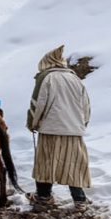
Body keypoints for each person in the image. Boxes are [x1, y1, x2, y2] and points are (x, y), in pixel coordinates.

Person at [26, 45, 91, 207]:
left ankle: (43, 197)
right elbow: (86, 106)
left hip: (51, 129)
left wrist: (32, 123)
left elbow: (37, 103)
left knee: (46, 163)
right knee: (74, 163)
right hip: (74, 130)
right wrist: (81, 125)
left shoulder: (46, 77)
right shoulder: (75, 78)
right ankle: (80, 199)